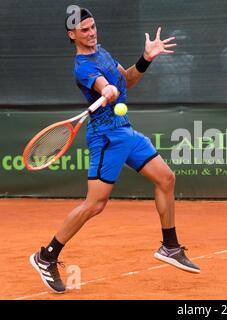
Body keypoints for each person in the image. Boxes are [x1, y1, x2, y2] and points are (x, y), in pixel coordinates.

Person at [29, 7, 200, 294]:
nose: (92, 33)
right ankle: (47, 255)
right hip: (106, 136)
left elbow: (128, 80)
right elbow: (105, 86)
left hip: (125, 130)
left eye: (93, 27)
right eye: (84, 30)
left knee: (166, 178)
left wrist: (145, 59)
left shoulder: (103, 53)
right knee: (95, 204)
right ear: (72, 35)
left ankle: (169, 246)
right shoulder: (83, 67)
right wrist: (106, 89)